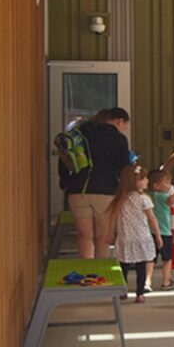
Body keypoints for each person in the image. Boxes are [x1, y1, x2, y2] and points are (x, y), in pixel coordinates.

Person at [66, 108, 133, 259]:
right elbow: (123, 165)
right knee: (103, 236)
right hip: (105, 190)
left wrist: (65, 183)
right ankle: (99, 271)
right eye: (124, 126)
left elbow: (65, 159)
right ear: (119, 121)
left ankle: (86, 268)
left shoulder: (80, 133)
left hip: (78, 189)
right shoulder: (117, 138)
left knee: (84, 235)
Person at [99, 164, 160, 302]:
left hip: (125, 238)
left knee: (123, 266)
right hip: (142, 237)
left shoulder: (120, 199)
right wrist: (158, 235)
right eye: (144, 179)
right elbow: (152, 218)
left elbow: (113, 217)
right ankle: (140, 293)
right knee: (141, 267)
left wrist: (110, 232)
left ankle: (123, 290)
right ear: (135, 181)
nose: (147, 181)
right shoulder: (144, 199)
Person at [149, 166, 174, 289]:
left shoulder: (148, 196)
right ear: (156, 185)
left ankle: (147, 282)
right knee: (167, 259)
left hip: (150, 232)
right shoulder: (162, 196)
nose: (169, 185)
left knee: (150, 259)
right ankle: (166, 281)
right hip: (164, 232)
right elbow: (172, 201)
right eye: (166, 182)